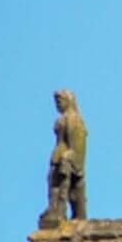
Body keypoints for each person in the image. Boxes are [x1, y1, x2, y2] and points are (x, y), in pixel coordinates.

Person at [38, 89, 87, 228]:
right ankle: (54, 209)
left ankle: (59, 210)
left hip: (66, 159)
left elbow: (77, 146)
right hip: (58, 157)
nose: (58, 104)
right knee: (53, 183)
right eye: (56, 102)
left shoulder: (73, 119)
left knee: (63, 185)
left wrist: (68, 157)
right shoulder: (62, 119)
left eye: (60, 101)